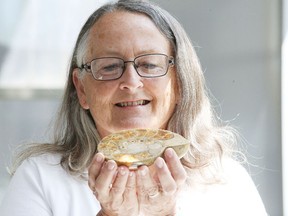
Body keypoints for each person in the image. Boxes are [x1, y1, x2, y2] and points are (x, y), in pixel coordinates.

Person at [0, 0, 267, 215]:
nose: (130, 82)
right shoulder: (40, 179)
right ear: (82, 89)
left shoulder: (226, 181)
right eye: (109, 66)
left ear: (180, 83)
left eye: (150, 65)